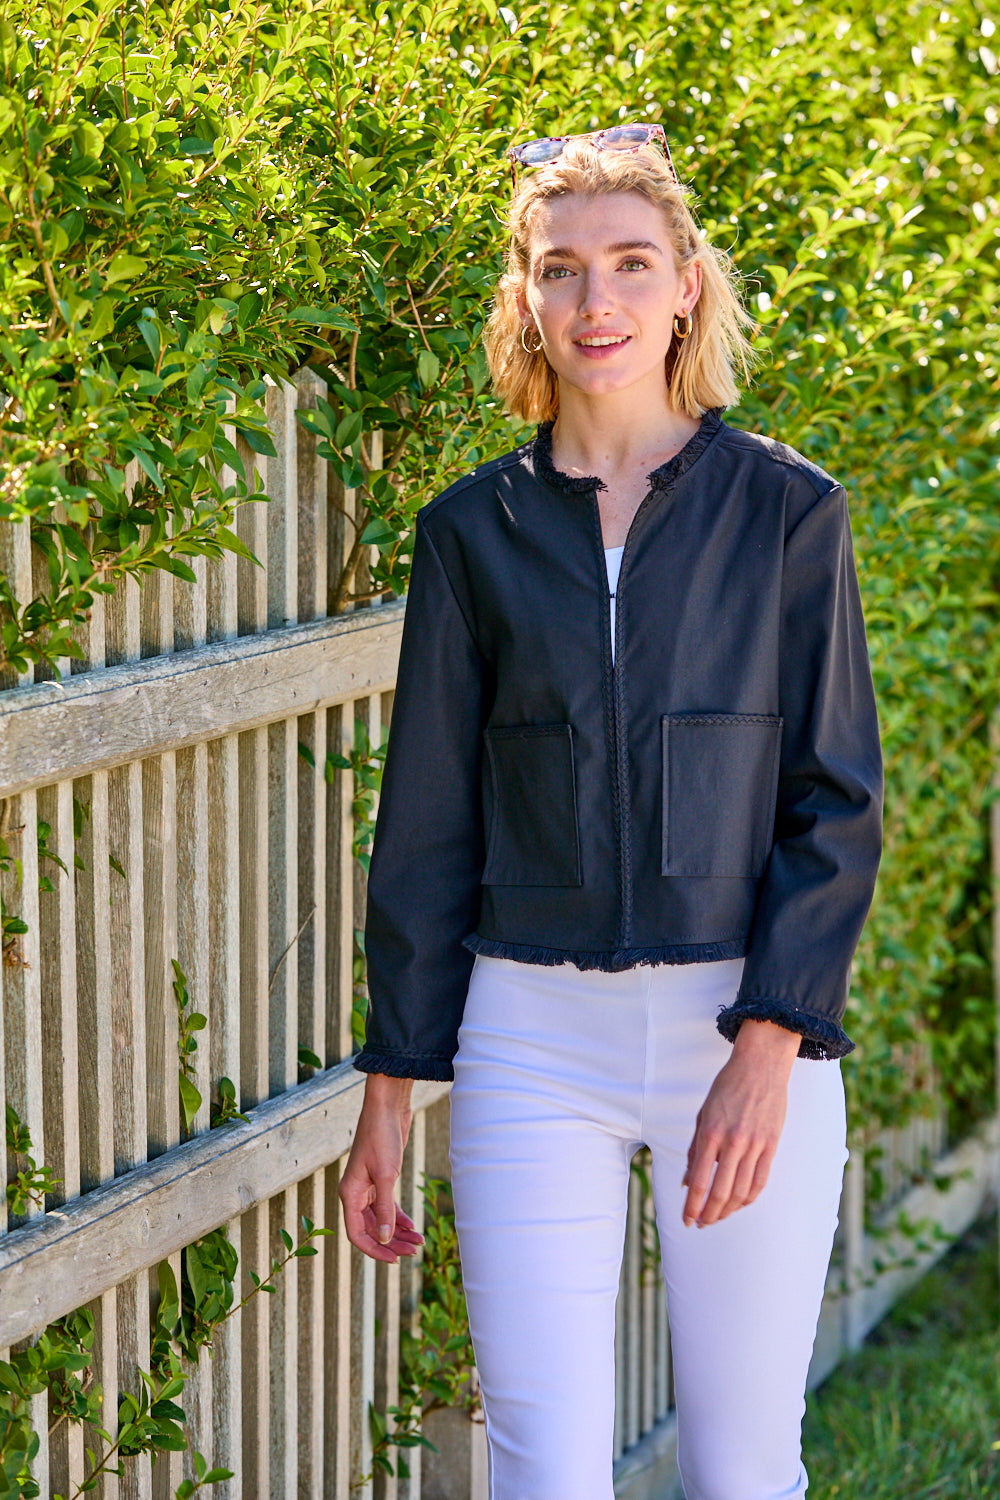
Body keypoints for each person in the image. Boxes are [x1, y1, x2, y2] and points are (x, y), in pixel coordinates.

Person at [339, 123, 884, 1500]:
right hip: (530, 1037)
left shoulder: (788, 515)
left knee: (744, 1462)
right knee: (546, 1465)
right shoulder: (472, 533)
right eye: (561, 268)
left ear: (687, 283)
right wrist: (392, 1094)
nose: (598, 302)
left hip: (741, 1034)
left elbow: (834, 801)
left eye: (632, 264)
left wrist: (772, 1044)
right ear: (522, 294)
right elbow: (428, 830)